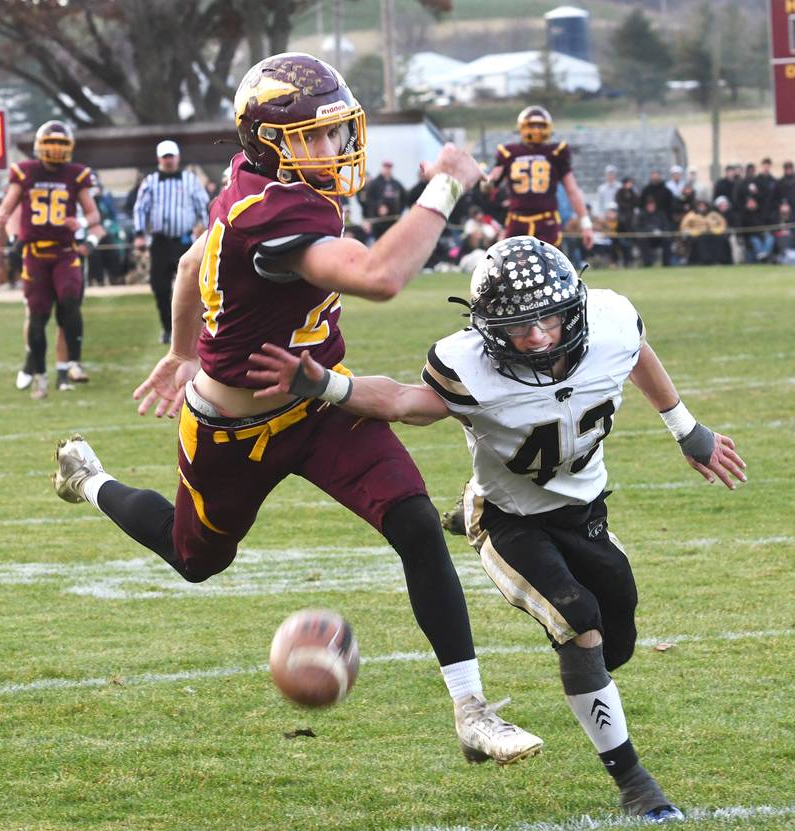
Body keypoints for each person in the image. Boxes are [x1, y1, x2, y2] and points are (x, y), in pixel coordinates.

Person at [52, 52, 542, 766]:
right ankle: (89, 479)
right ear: (268, 143)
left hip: (319, 399)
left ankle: (472, 711)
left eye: (335, 130)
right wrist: (445, 184)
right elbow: (381, 277)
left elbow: (190, 266)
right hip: (235, 432)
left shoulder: (262, 184)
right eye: (313, 134)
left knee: (414, 521)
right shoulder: (273, 210)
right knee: (194, 558)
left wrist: (183, 348)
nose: (334, 145)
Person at [247, 235, 746, 823]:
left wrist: (687, 429)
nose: (537, 337)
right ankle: (636, 784)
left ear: (573, 308)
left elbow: (636, 353)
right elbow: (405, 401)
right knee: (579, 622)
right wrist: (328, 385)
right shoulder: (468, 366)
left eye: (548, 320)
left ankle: (497, 546)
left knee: (618, 641)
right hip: (510, 518)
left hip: (584, 509)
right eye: (517, 326)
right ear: (488, 328)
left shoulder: (611, 320)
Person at [0, 120, 104, 399]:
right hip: (34, 253)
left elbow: (93, 214)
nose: (55, 149)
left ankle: (72, 364)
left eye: (60, 144)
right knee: (38, 315)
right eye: (51, 143)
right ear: (39, 146)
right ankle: (39, 376)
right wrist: (9, 232)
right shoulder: (26, 171)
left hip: (65, 251)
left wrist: (80, 222)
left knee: (69, 300)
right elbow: (5, 210)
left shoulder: (76, 174)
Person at [132, 139, 210, 344]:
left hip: (185, 241)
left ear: (178, 157)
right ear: (159, 159)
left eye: (171, 156)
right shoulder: (150, 182)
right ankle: (168, 328)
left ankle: (199, 327)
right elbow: (140, 209)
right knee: (160, 287)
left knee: (193, 286)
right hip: (160, 241)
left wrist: (207, 229)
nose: (168, 160)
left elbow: (203, 205)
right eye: (165, 157)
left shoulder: (190, 180)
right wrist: (139, 234)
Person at [487, 105, 594, 250]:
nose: (536, 130)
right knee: (512, 262)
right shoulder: (508, 153)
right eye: (532, 125)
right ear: (522, 127)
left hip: (546, 222)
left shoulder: (556, 152)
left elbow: (572, 190)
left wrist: (586, 224)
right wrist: (490, 181)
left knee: (549, 263)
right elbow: (486, 190)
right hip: (517, 222)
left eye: (541, 125)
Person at [364, 160, 407, 240]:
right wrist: (378, 207)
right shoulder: (374, 183)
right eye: (386, 167)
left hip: (392, 220)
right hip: (378, 221)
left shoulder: (396, 183)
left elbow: (404, 198)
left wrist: (399, 211)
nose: (387, 169)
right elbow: (368, 200)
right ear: (382, 168)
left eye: (389, 167)